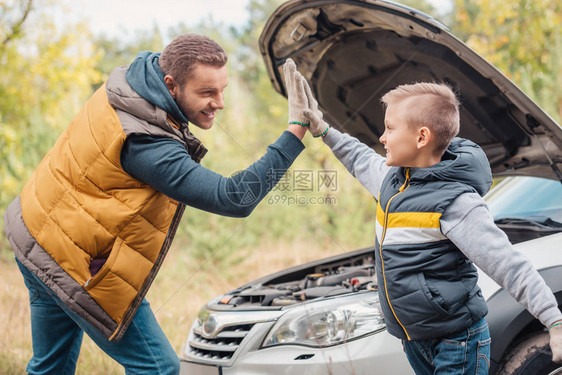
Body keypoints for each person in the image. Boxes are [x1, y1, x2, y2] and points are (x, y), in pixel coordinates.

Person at [3, 35, 312, 374]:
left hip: (32, 227)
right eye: (207, 93)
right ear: (171, 84)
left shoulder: (133, 83)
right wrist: (294, 132)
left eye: (222, 89)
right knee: (158, 367)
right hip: (66, 255)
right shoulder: (145, 143)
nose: (219, 103)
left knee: (51, 366)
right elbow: (234, 197)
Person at [298, 74, 562, 373]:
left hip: (456, 342)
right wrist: (322, 129)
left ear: (422, 138)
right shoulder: (392, 181)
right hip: (415, 340)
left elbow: (508, 264)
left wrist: (554, 320)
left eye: (389, 128)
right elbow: (358, 158)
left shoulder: (456, 203)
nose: (382, 138)